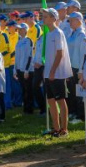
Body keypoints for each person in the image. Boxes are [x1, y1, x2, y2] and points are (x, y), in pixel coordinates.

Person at [42, 8, 72, 137]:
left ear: (54, 18)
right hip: (48, 73)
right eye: (43, 16)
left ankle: (64, 129)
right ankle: (56, 127)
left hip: (57, 73)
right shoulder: (48, 34)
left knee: (60, 100)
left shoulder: (58, 33)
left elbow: (60, 54)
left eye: (46, 16)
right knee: (51, 100)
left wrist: (53, 71)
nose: (43, 18)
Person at [14, 23, 35, 113]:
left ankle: (30, 109)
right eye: (18, 29)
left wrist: (27, 70)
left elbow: (30, 56)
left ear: (25, 30)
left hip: (27, 70)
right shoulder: (18, 41)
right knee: (23, 89)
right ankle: (25, 108)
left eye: (21, 29)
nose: (19, 31)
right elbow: (17, 57)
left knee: (28, 90)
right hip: (19, 69)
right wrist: (15, 70)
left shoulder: (29, 41)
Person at [5, 20, 22, 108]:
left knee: (16, 83)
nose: (8, 28)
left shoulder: (17, 36)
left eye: (10, 26)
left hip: (14, 62)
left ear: (14, 27)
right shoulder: (8, 36)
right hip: (9, 63)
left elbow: (16, 49)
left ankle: (18, 101)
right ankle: (14, 100)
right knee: (11, 84)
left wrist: (9, 55)